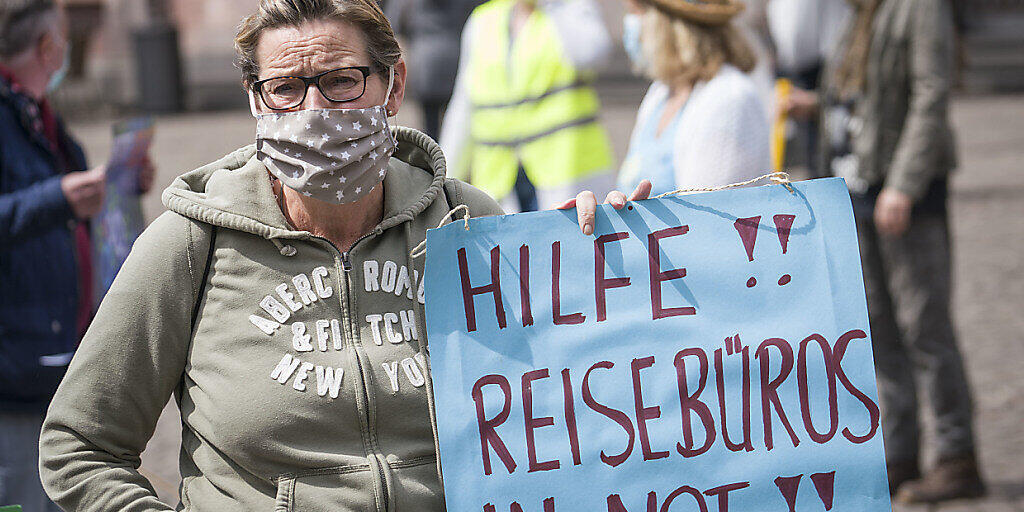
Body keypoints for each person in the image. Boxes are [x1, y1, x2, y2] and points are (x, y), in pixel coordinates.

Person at [38, 1, 507, 510]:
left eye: (342, 81)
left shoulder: (466, 221)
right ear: (256, 102)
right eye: (285, 88)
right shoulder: (192, 241)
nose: (314, 111)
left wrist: (593, 249)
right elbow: (79, 445)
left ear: (393, 86)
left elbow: (559, 409)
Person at [815, 0, 983, 502]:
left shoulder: (919, 6)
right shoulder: (858, 12)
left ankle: (958, 457)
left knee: (925, 326)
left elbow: (929, 94)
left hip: (903, 195)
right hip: (859, 185)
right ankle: (899, 453)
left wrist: (904, 186)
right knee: (878, 329)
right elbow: (858, 91)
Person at [0, 1, 152, 509]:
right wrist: (57, 197)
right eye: (62, 38)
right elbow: (39, 205)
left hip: (56, 349)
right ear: (49, 48)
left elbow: (73, 208)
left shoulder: (39, 116)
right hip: (15, 364)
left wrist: (118, 189)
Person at [440, 0, 616, 212]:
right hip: (500, 178)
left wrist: (551, 5)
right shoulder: (483, 19)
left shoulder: (570, 8)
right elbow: (463, 108)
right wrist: (444, 181)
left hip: (565, 173)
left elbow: (591, 55)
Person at [616, 0, 770, 196]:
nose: (630, 25)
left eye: (635, 12)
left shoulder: (729, 99)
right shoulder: (662, 92)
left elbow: (707, 216)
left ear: (666, 23)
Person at [385, 0, 482, 140]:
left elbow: (393, 25)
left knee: (430, 125)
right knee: (455, 121)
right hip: (454, 63)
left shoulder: (407, 3)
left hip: (425, 69)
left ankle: (434, 155)